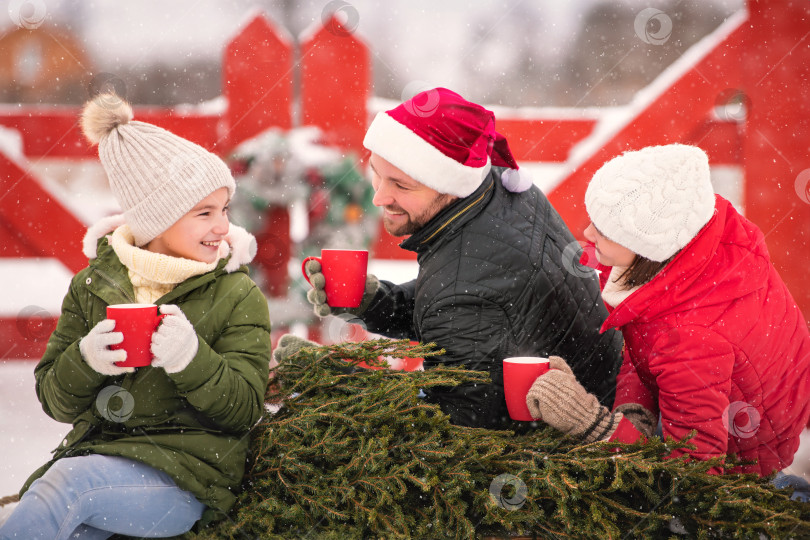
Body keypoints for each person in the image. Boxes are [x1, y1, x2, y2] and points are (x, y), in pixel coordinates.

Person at [0, 94, 272, 539]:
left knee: (66, 487)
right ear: (156, 221)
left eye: (224, 209)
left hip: (185, 481)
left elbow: (242, 411)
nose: (222, 227)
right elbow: (54, 399)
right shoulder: (93, 285)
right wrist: (86, 360)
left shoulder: (237, 294)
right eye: (204, 213)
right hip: (101, 467)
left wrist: (191, 359)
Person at [282, 87, 622, 430]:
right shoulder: (497, 191)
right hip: (605, 390)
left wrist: (327, 378)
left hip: (569, 452)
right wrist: (375, 303)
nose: (379, 197)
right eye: (376, 172)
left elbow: (450, 430)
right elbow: (465, 298)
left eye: (400, 184)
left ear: (447, 183)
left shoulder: (466, 287)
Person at [525, 144, 810, 479]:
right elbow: (645, 333)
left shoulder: (692, 339)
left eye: (603, 229)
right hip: (736, 408)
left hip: (739, 463)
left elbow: (693, 477)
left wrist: (589, 422)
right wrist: (635, 414)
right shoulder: (694, 239)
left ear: (645, 245)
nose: (587, 234)